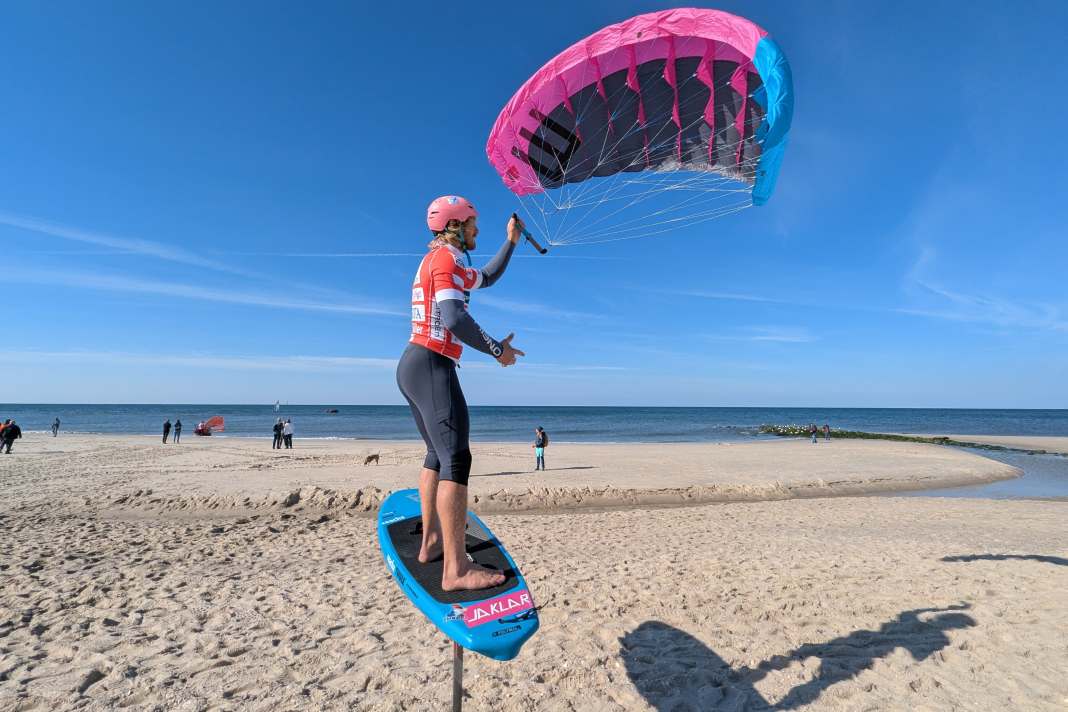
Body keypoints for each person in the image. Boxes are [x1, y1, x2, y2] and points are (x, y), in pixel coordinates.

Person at [396, 196, 523, 592]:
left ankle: (432, 542)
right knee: (457, 458)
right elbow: (454, 318)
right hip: (432, 364)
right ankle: (455, 570)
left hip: (415, 364)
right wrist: (497, 351)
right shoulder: (446, 261)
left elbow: (488, 276)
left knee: (437, 454)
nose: (477, 231)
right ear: (456, 224)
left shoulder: (446, 261)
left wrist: (512, 242)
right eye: (473, 224)